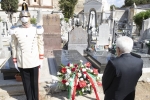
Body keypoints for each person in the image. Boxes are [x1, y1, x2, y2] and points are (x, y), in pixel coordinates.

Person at [9, 1, 44, 100]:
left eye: (26, 17)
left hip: (34, 60)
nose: (24, 19)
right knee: (26, 84)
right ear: (20, 19)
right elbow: (14, 45)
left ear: (29, 17)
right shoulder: (15, 30)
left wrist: (41, 58)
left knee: (34, 84)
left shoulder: (36, 28)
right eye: (22, 17)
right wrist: (14, 60)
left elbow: (40, 43)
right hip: (22, 61)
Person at [102, 36, 143, 100]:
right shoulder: (139, 61)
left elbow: (105, 81)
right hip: (129, 96)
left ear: (118, 49)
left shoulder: (113, 63)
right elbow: (138, 75)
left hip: (113, 97)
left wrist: (106, 92)